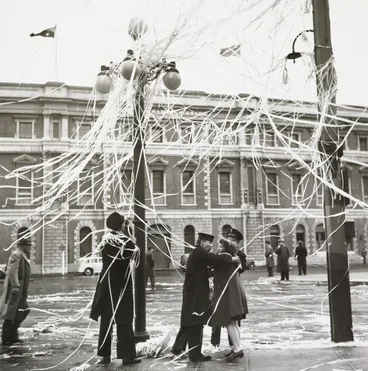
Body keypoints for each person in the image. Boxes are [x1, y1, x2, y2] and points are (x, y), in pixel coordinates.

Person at [171, 232, 239, 362]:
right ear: (202, 243)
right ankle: (195, 354)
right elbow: (214, 259)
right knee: (196, 322)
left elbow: (206, 270)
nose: (211, 246)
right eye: (209, 243)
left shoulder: (197, 254)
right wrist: (231, 259)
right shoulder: (199, 252)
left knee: (188, 321)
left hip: (192, 293)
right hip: (196, 294)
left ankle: (177, 348)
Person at [90, 212, 141, 366]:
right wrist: (129, 231)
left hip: (106, 285)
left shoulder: (104, 240)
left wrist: (123, 229)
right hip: (122, 286)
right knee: (124, 319)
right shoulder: (126, 242)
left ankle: (104, 355)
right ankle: (127, 356)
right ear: (121, 225)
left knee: (106, 320)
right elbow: (136, 256)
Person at [209, 238, 247, 362]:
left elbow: (216, 259)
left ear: (225, 248)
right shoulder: (230, 257)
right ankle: (237, 347)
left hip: (228, 294)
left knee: (229, 322)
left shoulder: (225, 257)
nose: (218, 249)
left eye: (220, 247)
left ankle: (237, 349)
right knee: (233, 323)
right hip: (233, 293)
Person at [0, 233, 32, 346]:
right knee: (12, 313)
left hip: (20, 290)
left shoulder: (21, 255)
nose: (30, 248)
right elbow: (13, 271)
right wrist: (15, 286)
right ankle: (6, 337)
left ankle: (12, 335)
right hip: (16, 290)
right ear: (23, 245)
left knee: (20, 311)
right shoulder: (16, 255)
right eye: (28, 245)